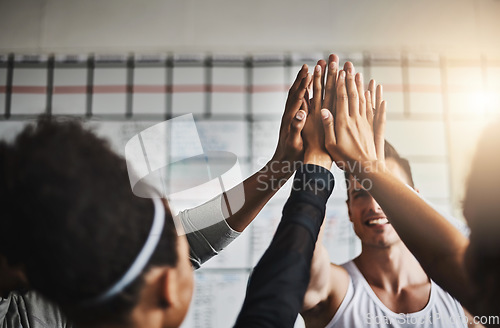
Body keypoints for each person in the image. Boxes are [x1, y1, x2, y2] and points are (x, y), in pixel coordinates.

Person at [0, 60, 338, 327]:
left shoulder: (37, 304)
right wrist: (314, 168)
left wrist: (278, 168)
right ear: (167, 288)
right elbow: (270, 305)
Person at [317, 61, 499, 327]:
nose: (376, 205)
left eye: (387, 192)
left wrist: (362, 165)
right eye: (361, 194)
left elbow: (445, 258)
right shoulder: (338, 287)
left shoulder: (469, 294)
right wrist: (320, 166)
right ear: (349, 208)